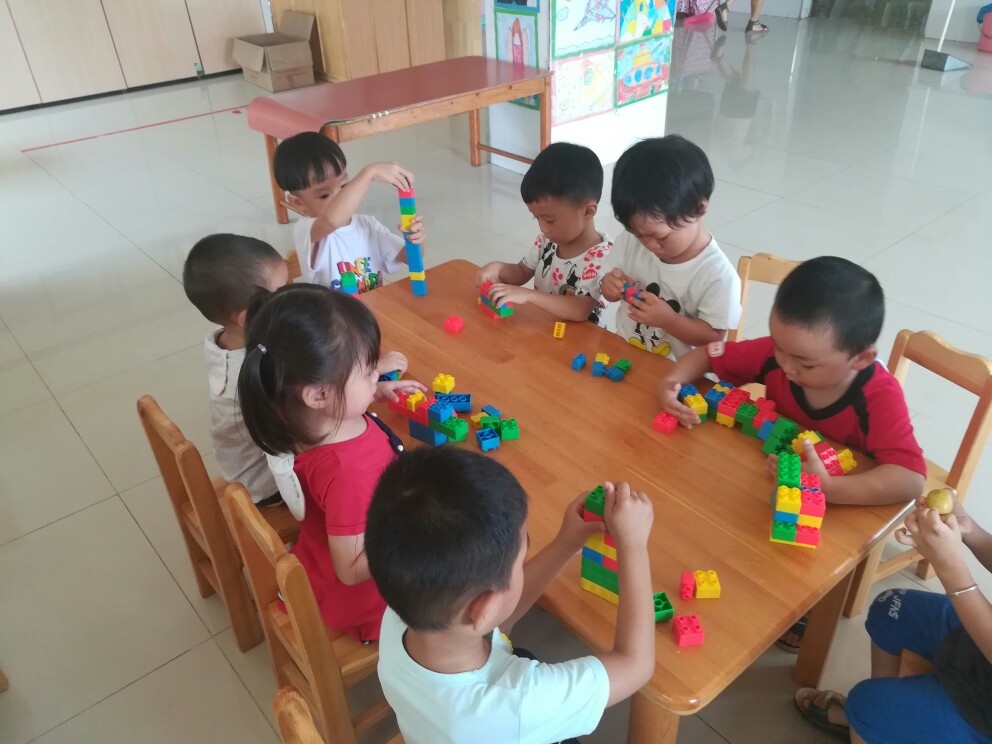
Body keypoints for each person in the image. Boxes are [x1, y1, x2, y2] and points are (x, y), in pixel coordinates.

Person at [658, 256, 926, 652]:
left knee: (793, 566)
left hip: (845, 502)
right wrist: (670, 382)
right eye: (779, 348)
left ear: (861, 358)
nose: (784, 366)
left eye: (805, 364)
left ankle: (808, 612)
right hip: (773, 481)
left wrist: (829, 488)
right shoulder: (778, 352)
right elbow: (709, 355)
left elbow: (910, 479)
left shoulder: (879, 395)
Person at [365, 447, 656, 744]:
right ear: (484, 609)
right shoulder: (521, 702)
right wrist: (633, 543)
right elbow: (635, 664)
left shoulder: (400, 616)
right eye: (523, 552)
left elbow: (491, 618)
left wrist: (565, 543)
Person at [237, 284, 426, 642]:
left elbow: (337, 414)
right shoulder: (350, 474)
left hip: (321, 551)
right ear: (319, 394)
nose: (377, 375)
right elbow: (351, 570)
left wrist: (374, 392)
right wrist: (416, 536)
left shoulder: (292, 415)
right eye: (368, 372)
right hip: (372, 602)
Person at [795, 495, 992, 743]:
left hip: (983, 713)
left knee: (865, 705)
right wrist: (972, 531)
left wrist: (950, 568)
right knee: (890, 606)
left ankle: (873, 717)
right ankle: (886, 720)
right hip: (974, 648)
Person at [601, 135, 741, 359]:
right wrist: (609, 287)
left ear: (698, 209)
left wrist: (670, 321)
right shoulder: (630, 241)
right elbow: (608, 283)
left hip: (680, 371)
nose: (648, 245)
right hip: (626, 353)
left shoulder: (718, 275)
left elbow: (713, 336)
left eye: (661, 237)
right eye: (639, 235)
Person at [182, 234, 290, 506]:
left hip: (240, 468)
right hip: (267, 485)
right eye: (283, 291)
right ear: (248, 317)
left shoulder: (223, 343)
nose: (291, 296)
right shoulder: (255, 370)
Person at [475, 142, 613, 325]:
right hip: (544, 329)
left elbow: (580, 309)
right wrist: (498, 269)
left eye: (549, 220)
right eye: (536, 218)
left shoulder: (602, 257)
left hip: (582, 339)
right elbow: (521, 271)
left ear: (587, 211)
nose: (543, 228)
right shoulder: (548, 240)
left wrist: (529, 295)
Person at [273, 132, 426, 292]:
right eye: (324, 195)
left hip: (373, 306)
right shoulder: (306, 230)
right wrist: (369, 172)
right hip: (331, 310)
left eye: (344, 186)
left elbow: (411, 259)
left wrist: (414, 240)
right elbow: (331, 221)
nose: (340, 196)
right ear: (299, 203)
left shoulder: (368, 225)